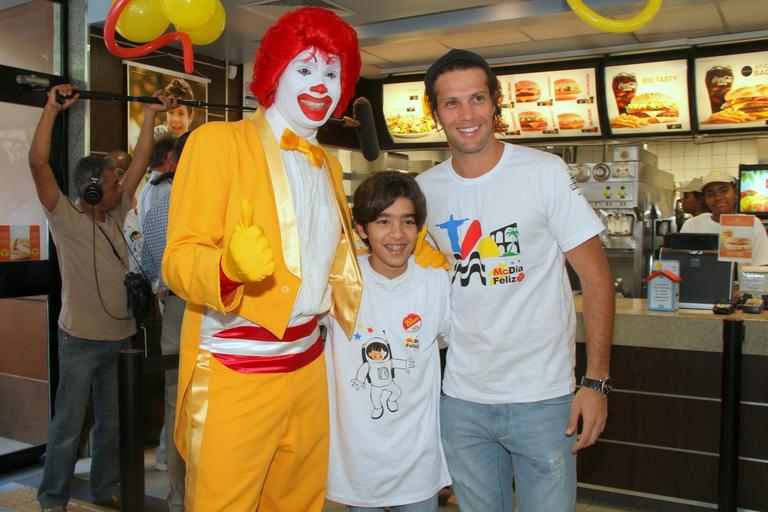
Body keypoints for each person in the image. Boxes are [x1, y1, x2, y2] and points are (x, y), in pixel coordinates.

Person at [161, 7, 366, 511]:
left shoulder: (331, 167)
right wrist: (226, 270)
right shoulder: (217, 142)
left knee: (300, 504)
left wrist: (401, 252)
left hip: (309, 364)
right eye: (305, 68)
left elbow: (329, 264)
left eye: (332, 72)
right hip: (237, 368)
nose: (320, 84)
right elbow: (179, 259)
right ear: (274, 75)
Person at [415, 49, 615, 512]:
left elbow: (597, 278)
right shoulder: (425, 191)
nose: (467, 115)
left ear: (495, 102)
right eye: (452, 103)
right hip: (460, 399)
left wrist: (597, 382)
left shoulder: (543, 172)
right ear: (435, 111)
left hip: (544, 400)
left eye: (477, 98)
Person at [29, 84, 172, 512]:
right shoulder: (65, 216)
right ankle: (52, 497)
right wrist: (51, 109)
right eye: (112, 182)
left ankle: (105, 486)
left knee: (112, 425)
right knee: (68, 426)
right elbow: (38, 162)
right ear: (91, 188)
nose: (120, 185)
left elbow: (143, 160)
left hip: (121, 339)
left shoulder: (116, 209)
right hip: (80, 340)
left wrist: (148, 118)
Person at [325, 171, 451, 511]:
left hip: (418, 467)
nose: (397, 234)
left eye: (407, 222)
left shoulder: (435, 282)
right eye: (383, 221)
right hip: (357, 467)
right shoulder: (339, 282)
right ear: (362, 229)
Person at [141, 132, 191, 512]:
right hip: (220, 310)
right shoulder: (226, 202)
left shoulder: (160, 207)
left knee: (178, 406)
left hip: (175, 307)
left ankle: (179, 500)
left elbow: (148, 267)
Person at [681, 169, 768, 264]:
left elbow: (761, 264)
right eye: (711, 194)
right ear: (705, 199)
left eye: (724, 191)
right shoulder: (691, 225)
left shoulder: (752, 224)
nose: (718, 197)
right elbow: (682, 262)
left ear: (735, 192)